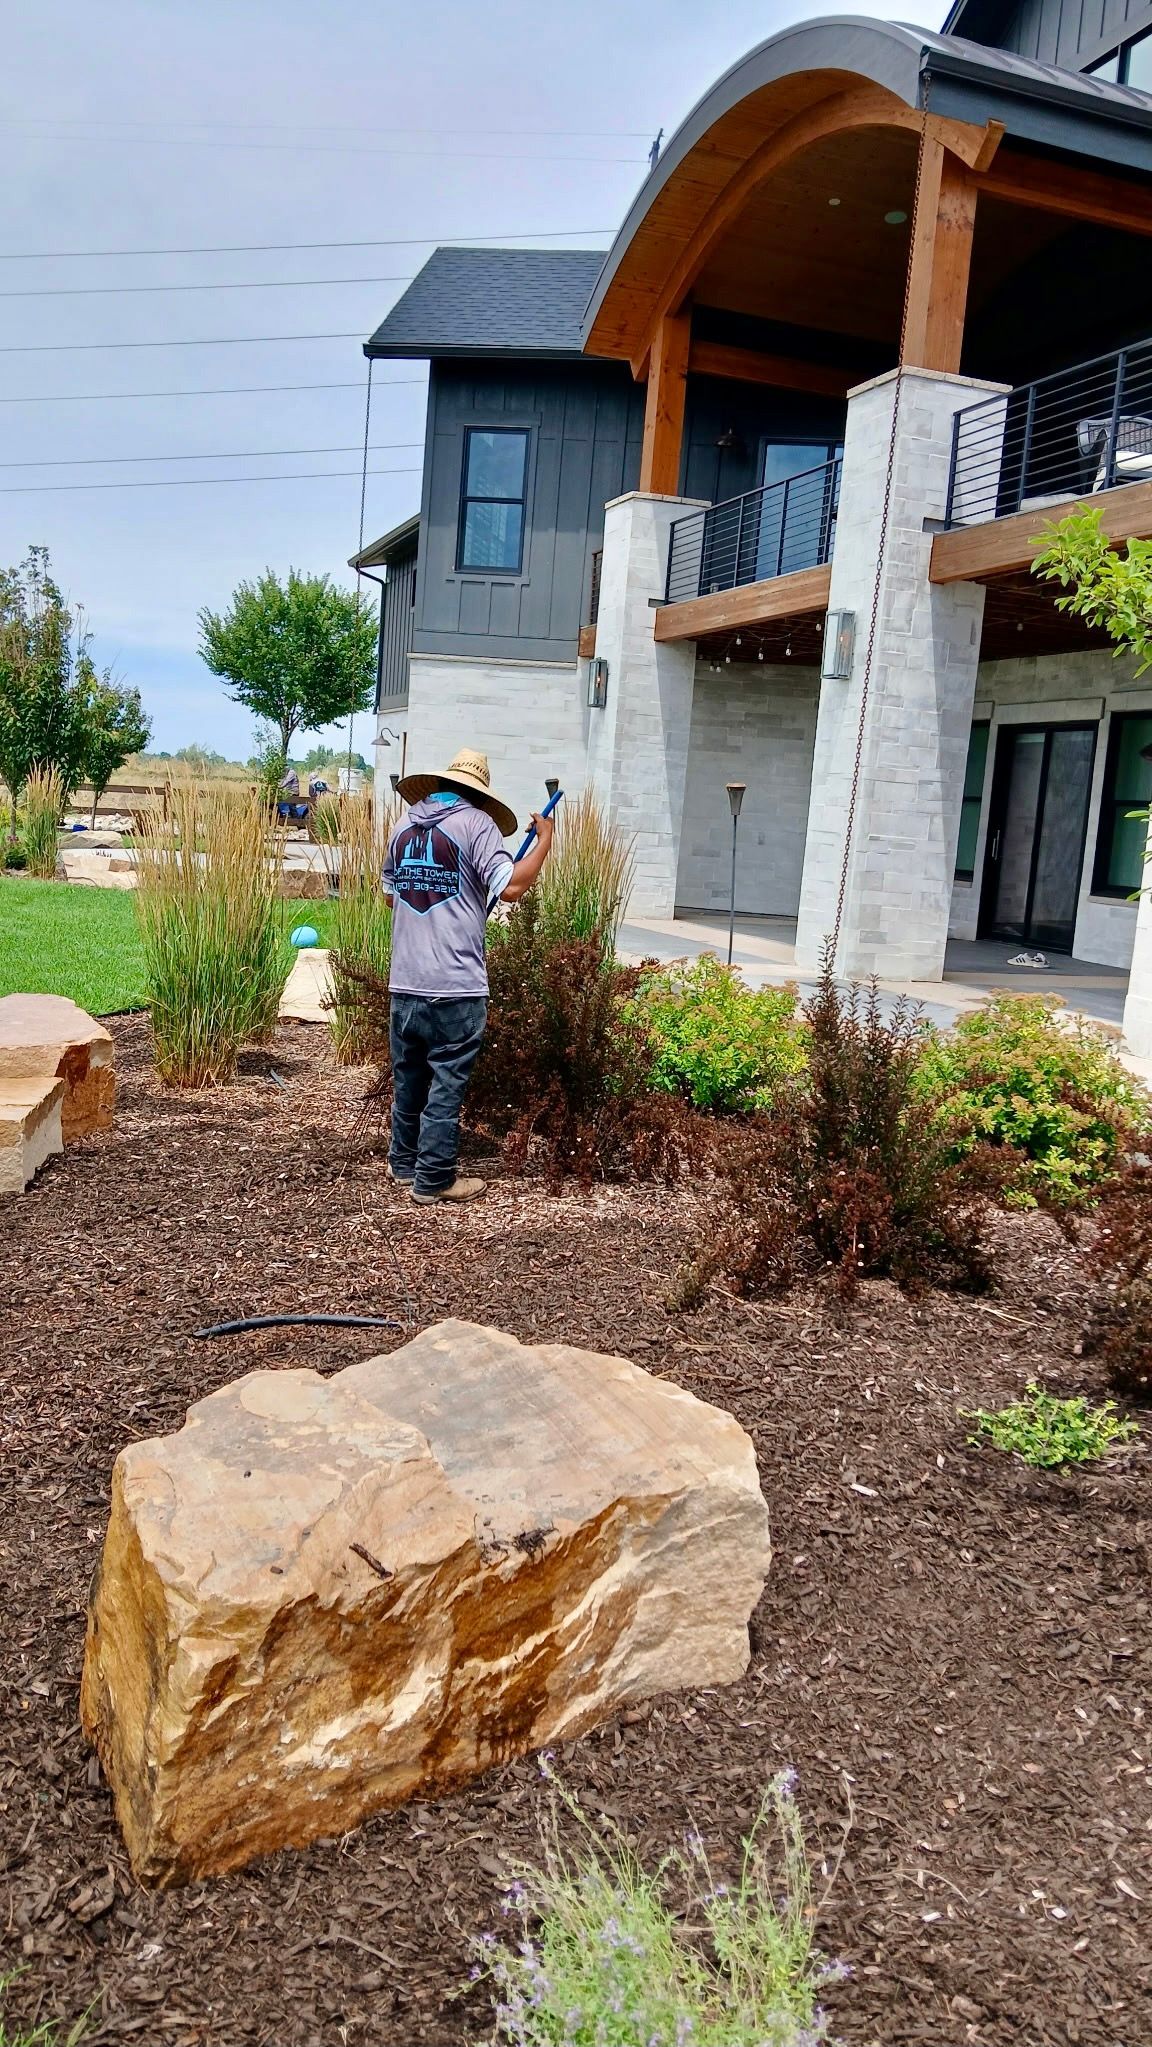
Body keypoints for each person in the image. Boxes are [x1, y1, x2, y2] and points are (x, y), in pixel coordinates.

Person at [383, 747, 554, 1205]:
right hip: (455, 983)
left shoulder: (401, 828)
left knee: (410, 1078)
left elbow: (390, 897)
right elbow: (513, 887)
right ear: (478, 793)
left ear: (440, 785)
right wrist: (544, 842)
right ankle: (434, 1178)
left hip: (405, 980)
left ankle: (404, 1163)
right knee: (446, 1082)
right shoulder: (477, 824)